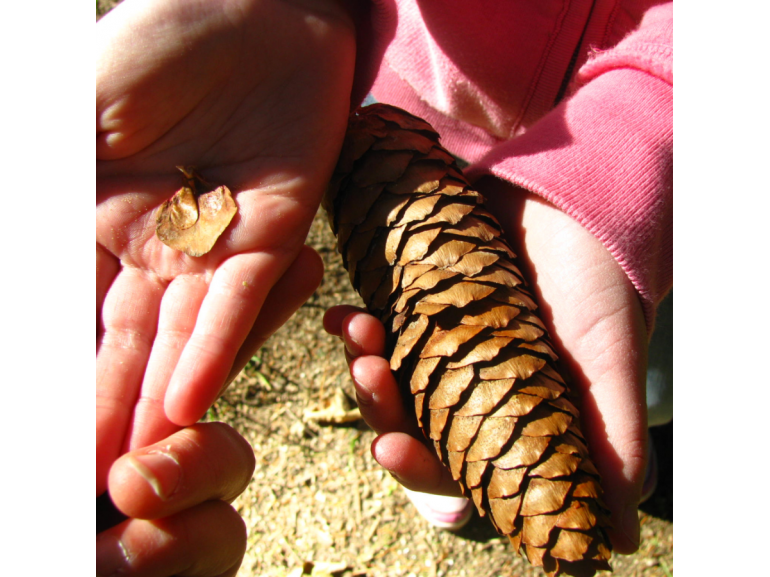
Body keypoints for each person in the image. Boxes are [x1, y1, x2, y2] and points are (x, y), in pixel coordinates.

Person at [96, 0, 672, 574]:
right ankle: (485, 449)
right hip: (412, 108)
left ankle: (580, 445)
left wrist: (645, 129)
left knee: (640, 375)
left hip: (644, 188)